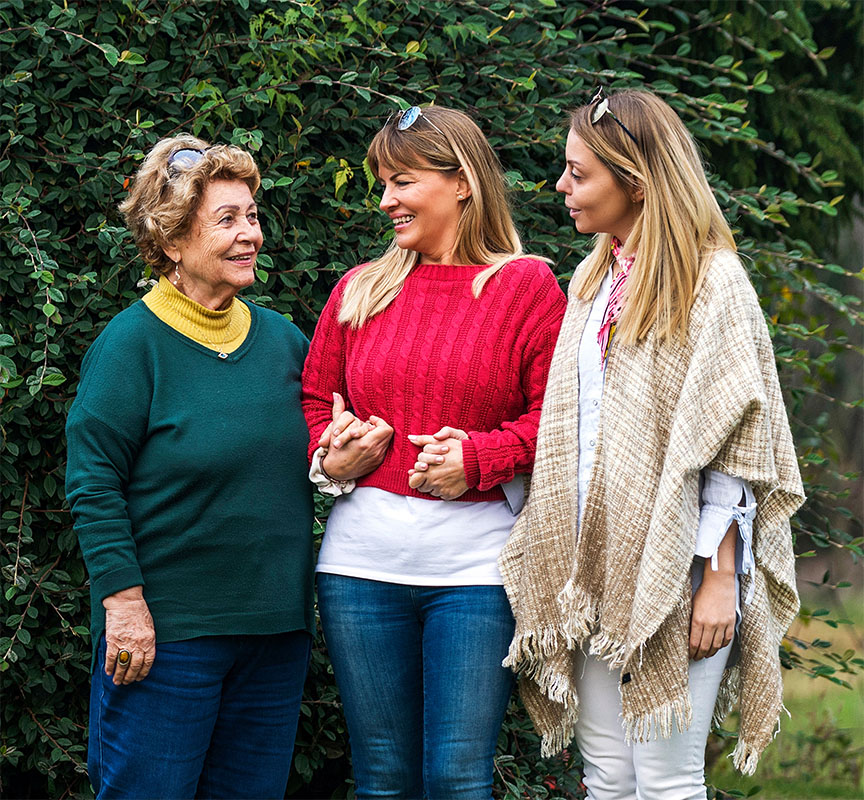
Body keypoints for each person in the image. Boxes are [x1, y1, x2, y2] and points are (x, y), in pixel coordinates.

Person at [498, 89, 805, 800]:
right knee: (607, 775)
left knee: (667, 781)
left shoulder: (712, 279)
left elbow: (738, 441)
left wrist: (720, 577)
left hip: (681, 568)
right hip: (598, 564)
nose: (561, 187)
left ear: (634, 180)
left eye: (579, 174)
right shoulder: (595, 277)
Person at [301, 105, 566, 799]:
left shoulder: (526, 288)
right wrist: (332, 461)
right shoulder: (361, 287)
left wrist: (480, 458)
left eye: (402, 181)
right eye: (382, 183)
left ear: (462, 183)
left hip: (476, 571)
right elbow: (313, 398)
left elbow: (561, 420)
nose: (385, 200)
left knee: (456, 779)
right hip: (359, 568)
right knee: (382, 780)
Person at [65, 135, 315, 799]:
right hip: (166, 638)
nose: (250, 235)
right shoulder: (130, 347)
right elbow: (93, 484)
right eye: (227, 220)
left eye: (252, 215)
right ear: (173, 242)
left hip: (273, 633)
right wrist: (124, 605)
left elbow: (320, 455)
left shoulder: (286, 342)